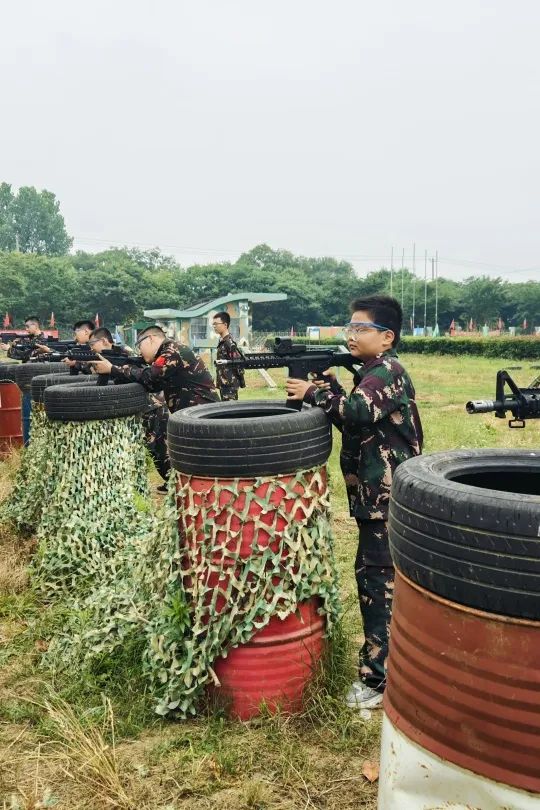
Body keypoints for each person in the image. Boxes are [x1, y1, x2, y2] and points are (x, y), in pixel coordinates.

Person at [285, 295, 423, 710]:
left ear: (386, 337)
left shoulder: (387, 371)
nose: (351, 333)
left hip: (384, 500)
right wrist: (329, 387)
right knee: (379, 580)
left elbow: (358, 412)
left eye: (360, 328)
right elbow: (351, 412)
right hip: (374, 498)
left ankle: (379, 680)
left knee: (377, 585)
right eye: (350, 326)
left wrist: (313, 391)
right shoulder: (372, 372)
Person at [92, 325, 219, 489]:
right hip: (194, 413)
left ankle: (196, 487)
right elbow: (153, 384)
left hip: (202, 414)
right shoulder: (168, 351)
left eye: (140, 345)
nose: (140, 351)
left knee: (200, 456)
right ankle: (184, 484)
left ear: (151, 339)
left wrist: (113, 369)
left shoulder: (172, 351)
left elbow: (151, 377)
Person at [89, 327, 171, 484]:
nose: (91, 347)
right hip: (137, 406)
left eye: (93, 343)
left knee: (158, 447)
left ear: (104, 340)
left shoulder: (124, 353)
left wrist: (113, 369)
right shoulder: (111, 356)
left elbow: (145, 374)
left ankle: (173, 481)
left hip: (151, 405)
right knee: (150, 446)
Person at [1, 317, 51, 445]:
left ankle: (32, 443)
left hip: (35, 378)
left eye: (28, 327)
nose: (26, 329)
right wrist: (15, 345)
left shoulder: (41, 340)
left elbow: (26, 354)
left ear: (35, 326)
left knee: (31, 413)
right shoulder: (32, 339)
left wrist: (9, 349)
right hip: (31, 378)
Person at [212, 311, 245, 400]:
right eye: (213, 324)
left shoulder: (229, 343)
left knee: (230, 411)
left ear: (225, 325)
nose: (214, 326)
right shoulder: (223, 341)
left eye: (216, 324)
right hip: (225, 384)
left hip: (229, 385)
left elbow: (238, 363)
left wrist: (240, 381)